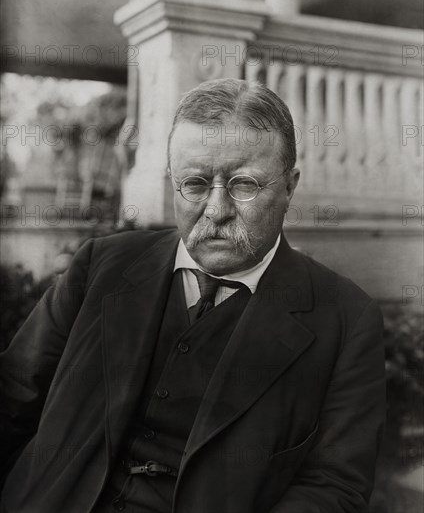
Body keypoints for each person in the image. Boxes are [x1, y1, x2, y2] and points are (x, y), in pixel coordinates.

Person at [0, 79, 386, 513]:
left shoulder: (346, 319)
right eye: (196, 183)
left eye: (244, 185)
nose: (217, 209)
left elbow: (335, 486)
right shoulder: (101, 266)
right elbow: (13, 396)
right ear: (172, 182)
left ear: (290, 186)